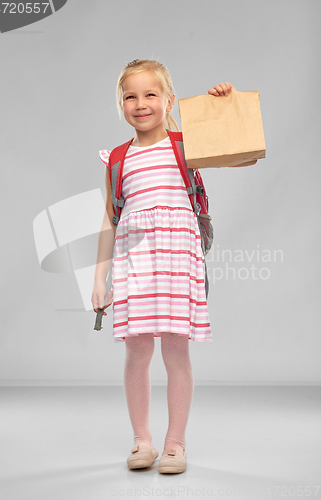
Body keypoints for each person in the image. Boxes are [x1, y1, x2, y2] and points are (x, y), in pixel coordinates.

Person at [92, 59, 255, 474]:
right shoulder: (117, 158)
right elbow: (110, 218)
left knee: (176, 350)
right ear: (121, 103)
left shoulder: (188, 144)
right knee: (137, 349)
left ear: (169, 101)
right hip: (135, 261)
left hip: (176, 258)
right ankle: (142, 441)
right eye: (130, 95)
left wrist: (224, 105)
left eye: (150, 94)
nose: (140, 103)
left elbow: (245, 157)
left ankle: (175, 444)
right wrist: (99, 278)